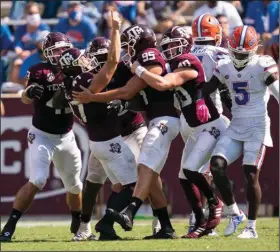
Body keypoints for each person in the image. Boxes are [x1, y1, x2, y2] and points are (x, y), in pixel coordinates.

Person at [73, 24, 180, 239]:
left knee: (147, 175)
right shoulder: (90, 78)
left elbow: (133, 91)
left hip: (133, 127)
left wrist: (126, 104)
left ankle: (159, 223)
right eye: (98, 57)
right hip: (109, 136)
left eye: (105, 56)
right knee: (98, 179)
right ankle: (87, 226)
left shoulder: (125, 66)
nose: (101, 61)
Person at [131, 25, 228, 238]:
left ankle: (215, 202)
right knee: (184, 177)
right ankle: (200, 223)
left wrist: (138, 68)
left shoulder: (187, 61)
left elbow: (164, 83)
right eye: (167, 46)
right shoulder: (171, 64)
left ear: (186, 44)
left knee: (193, 170)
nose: (170, 49)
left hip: (211, 126)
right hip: (196, 128)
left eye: (175, 44)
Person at [0, 32, 83, 243]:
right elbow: (24, 98)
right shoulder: (39, 70)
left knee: (74, 185)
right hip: (41, 135)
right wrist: (29, 92)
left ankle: (79, 222)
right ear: (46, 53)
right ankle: (9, 227)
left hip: (66, 135)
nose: (60, 54)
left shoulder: (77, 69)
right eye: (55, 50)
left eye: (63, 49)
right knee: (37, 179)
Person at [206, 25, 279, 238]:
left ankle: (251, 227)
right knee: (216, 166)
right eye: (235, 52)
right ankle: (235, 212)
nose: (238, 56)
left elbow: (277, 92)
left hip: (257, 127)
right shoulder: (224, 65)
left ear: (254, 50)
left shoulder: (262, 65)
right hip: (236, 125)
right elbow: (206, 89)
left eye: (242, 53)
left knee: (250, 175)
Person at [178, 14, 236, 236]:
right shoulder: (219, 53)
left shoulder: (185, 54)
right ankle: (211, 215)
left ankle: (199, 218)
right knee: (200, 172)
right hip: (210, 118)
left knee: (189, 173)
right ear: (216, 33)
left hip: (187, 118)